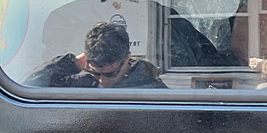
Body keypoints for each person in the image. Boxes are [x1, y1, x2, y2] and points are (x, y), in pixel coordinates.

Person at [24, 22, 167, 89]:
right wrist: (72, 62)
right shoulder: (77, 80)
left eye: (111, 74)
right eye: (96, 74)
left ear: (127, 59)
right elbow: (28, 87)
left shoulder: (144, 81)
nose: (103, 81)